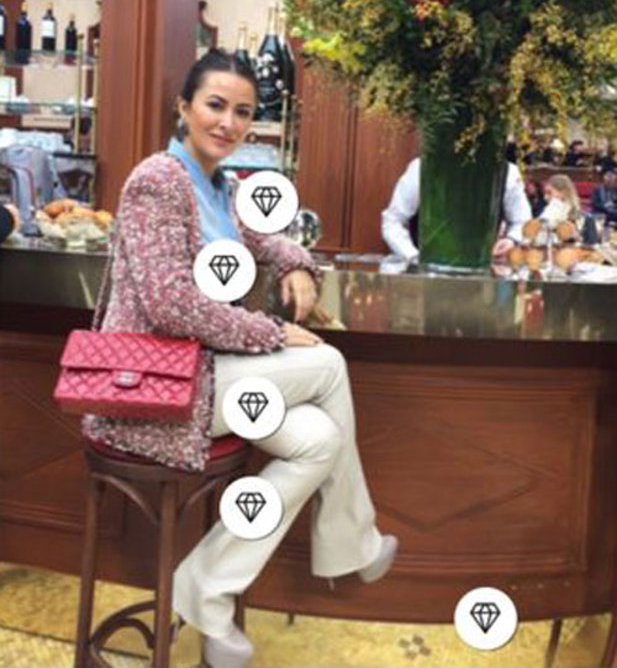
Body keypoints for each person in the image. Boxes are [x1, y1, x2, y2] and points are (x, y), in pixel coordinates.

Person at [82, 50, 396, 668]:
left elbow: (267, 240)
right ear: (184, 107)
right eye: (215, 105)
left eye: (243, 112)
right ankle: (353, 544)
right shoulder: (158, 180)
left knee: (320, 441)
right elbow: (170, 304)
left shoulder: (222, 188)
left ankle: (204, 584)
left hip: (205, 377)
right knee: (328, 365)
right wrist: (270, 332)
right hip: (156, 385)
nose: (228, 123)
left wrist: (298, 265)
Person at [381, 157, 532, 263]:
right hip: (425, 281)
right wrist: (413, 257)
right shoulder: (422, 167)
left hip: (483, 279)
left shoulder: (507, 172)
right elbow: (393, 220)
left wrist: (511, 240)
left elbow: (523, 222)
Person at [544, 174, 599, 244]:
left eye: (549, 193)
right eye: (545, 193)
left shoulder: (585, 220)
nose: (545, 197)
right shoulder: (547, 215)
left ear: (563, 193)